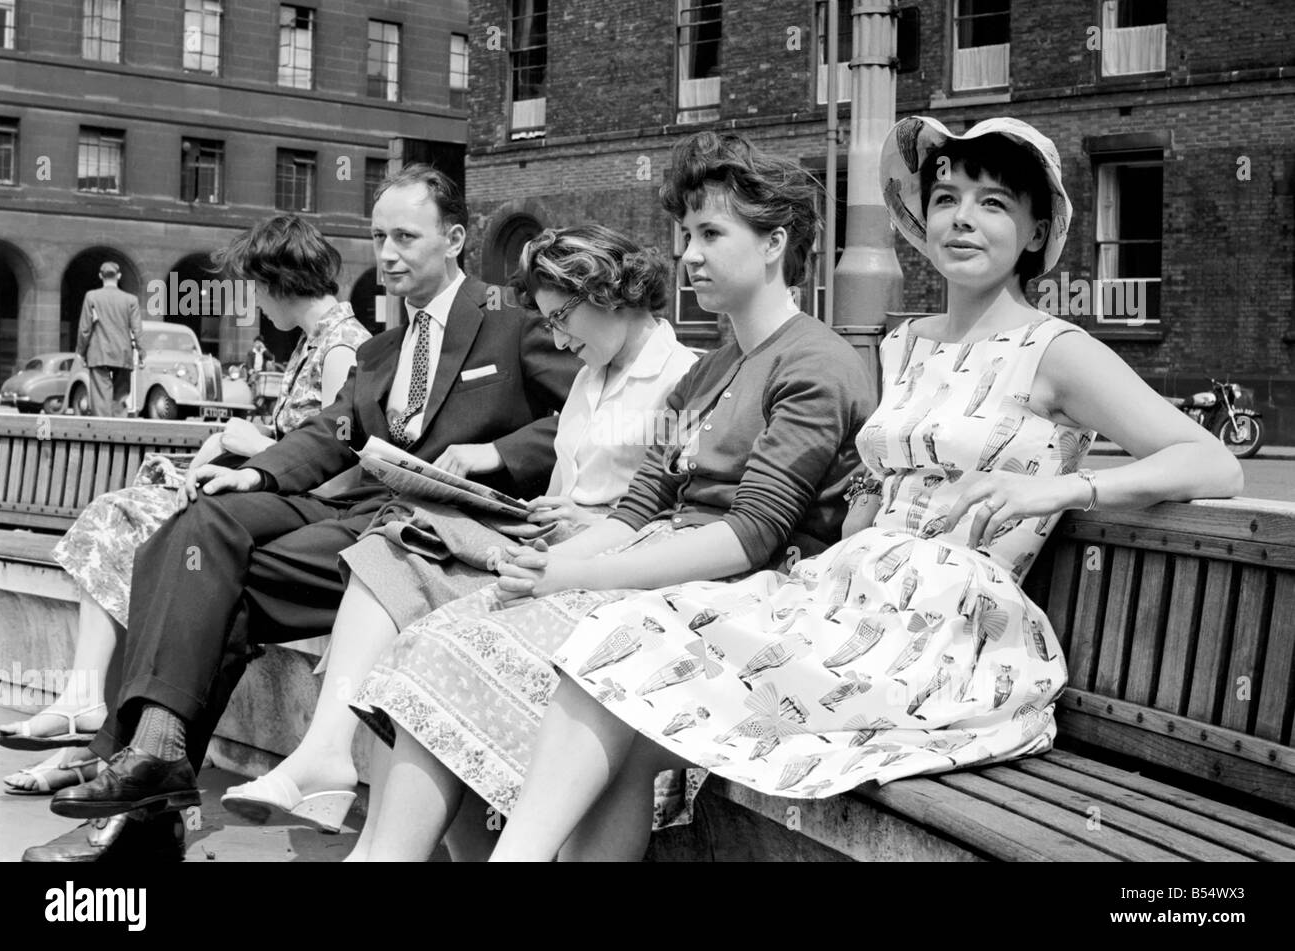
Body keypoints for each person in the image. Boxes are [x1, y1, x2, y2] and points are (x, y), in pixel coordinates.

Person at [490, 116, 1245, 862]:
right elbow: (876, 487)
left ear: (1037, 231)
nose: (961, 219)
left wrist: (1064, 490)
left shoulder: (1054, 350)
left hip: (943, 626)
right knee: (615, 681)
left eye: (993, 204)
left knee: (630, 654)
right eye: (946, 198)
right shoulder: (905, 343)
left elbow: (1212, 462)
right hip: (852, 594)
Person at [341, 130, 872, 862]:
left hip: (741, 605)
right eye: (686, 235)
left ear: (776, 241)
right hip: (663, 585)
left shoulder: (816, 362)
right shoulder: (709, 373)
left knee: (507, 656)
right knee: (444, 634)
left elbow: (749, 536)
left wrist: (568, 573)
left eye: (710, 233)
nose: (688, 254)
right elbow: (634, 511)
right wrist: (536, 572)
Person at [27, 164, 579, 861]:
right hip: (353, 525)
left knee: (203, 584)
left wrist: (492, 454)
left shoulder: (511, 329)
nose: (388, 253)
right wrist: (256, 471)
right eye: (379, 237)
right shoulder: (381, 350)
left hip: (435, 539)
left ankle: (146, 805)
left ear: (456, 239)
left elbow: (582, 414)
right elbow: (330, 431)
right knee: (198, 528)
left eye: (407, 236)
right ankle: (154, 759)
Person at [218, 224, 697, 835]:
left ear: (609, 294)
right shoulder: (588, 375)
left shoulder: (682, 377)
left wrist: (594, 519)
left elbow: (683, 513)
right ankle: (329, 758)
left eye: (562, 318)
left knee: (413, 604)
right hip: (538, 544)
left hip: (597, 572)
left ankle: (355, 810)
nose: (555, 336)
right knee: (395, 544)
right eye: (548, 321)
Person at [0, 216, 370, 798]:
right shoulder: (317, 343)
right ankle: (92, 733)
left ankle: (91, 729)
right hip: (263, 513)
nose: (252, 303)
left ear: (276, 281)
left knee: (122, 526)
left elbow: (342, 467)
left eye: (253, 287)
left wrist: (253, 448)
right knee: (126, 533)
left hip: (286, 525)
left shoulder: (344, 348)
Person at [75, 261, 144, 417]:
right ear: (119, 276)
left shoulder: (91, 297)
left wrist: (81, 352)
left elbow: (85, 328)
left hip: (98, 352)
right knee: (120, 396)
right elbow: (137, 330)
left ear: (100, 276)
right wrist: (142, 353)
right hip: (123, 352)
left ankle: (102, 430)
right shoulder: (131, 300)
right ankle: (118, 428)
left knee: (100, 396)